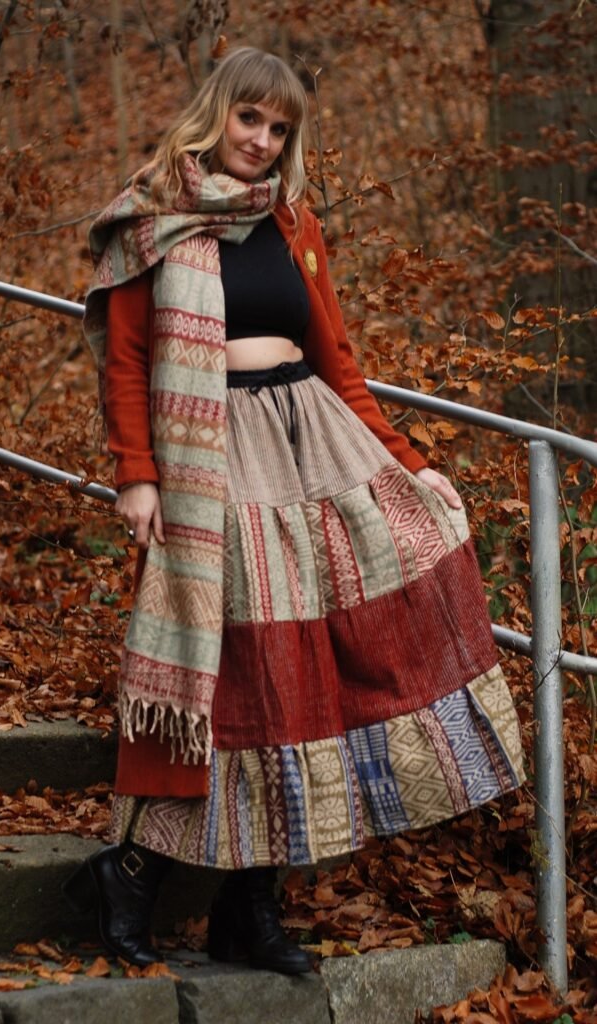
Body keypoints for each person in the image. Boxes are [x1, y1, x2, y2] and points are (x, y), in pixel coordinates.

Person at [65, 47, 524, 975]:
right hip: (211, 466)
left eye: (279, 130)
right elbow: (123, 363)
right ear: (216, 113)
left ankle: (251, 908)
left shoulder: (292, 223)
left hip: (309, 449)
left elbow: (338, 360)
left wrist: (411, 464)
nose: (261, 141)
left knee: (301, 666)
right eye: (249, 121)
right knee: (228, 671)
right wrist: (136, 476)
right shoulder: (151, 224)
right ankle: (135, 874)